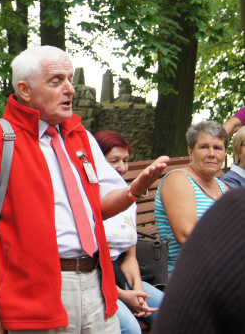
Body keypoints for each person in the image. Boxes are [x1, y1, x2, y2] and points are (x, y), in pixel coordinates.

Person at [0, 46, 169, 333]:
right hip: (34, 295)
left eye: (70, 78)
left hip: (97, 284)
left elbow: (102, 205)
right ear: (25, 89)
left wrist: (134, 190)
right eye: (56, 80)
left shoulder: (79, 135)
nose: (70, 89)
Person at [94, 131, 164, 334]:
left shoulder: (128, 198)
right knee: (131, 328)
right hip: (96, 279)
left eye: (125, 161)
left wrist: (138, 290)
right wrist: (123, 296)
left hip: (120, 274)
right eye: (113, 161)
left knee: (173, 313)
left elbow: (130, 256)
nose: (122, 168)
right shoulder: (88, 198)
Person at [153, 188, 245, 334]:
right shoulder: (237, 204)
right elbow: (185, 236)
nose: (214, 162)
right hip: (179, 271)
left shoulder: (222, 187)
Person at [155, 120, 228, 274]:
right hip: (187, 276)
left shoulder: (223, 188)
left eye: (218, 148)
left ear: (225, 153)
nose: (212, 154)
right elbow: (187, 237)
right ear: (190, 151)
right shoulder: (178, 179)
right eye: (203, 147)